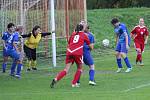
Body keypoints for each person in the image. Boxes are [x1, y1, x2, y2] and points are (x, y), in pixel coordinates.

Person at [50, 24, 92, 88]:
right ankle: (74, 83)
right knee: (80, 68)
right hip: (77, 53)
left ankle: (56, 79)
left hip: (69, 52)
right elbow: (90, 45)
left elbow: (69, 43)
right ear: (83, 29)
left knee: (66, 69)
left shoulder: (73, 34)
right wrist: (90, 49)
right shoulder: (84, 35)